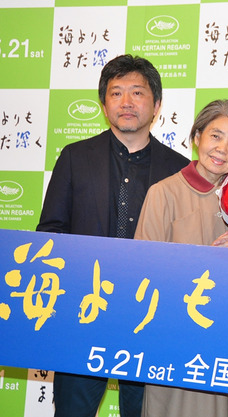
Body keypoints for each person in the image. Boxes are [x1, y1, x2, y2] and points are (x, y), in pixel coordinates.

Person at [36, 54, 190, 417]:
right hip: (83, 313)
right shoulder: (75, 157)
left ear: (156, 104)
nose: (126, 102)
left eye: (137, 92)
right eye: (116, 93)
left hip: (149, 316)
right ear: (104, 105)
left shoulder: (179, 170)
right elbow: (50, 233)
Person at [134, 99, 228, 417]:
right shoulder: (163, 193)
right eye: (215, 136)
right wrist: (205, 262)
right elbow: (143, 275)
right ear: (197, 137)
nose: (222, 149)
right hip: (175, 344)